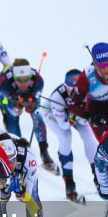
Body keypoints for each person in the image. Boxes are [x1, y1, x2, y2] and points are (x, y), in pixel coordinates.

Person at [0, 58, 56, 172]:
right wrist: (14, 105)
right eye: (19, 80)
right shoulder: (4, 82)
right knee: (13, 116)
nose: (24, 84)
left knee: (36, 116)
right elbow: (4, 101)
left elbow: (36, 99)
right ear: (14, 78)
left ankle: (44, 151)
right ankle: (18, 150)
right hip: (9, 97)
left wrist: (33, 104)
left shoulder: (38, 80)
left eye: (26, 80)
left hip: (30, 96)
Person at [44, 69, 99, 201]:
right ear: (65, 87)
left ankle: (99, 178)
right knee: (65, 138)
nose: (75, 94)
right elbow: (63, 125)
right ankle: (69, 182)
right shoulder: (57, 97)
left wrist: (77, 116)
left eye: (78, 91)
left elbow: (86, 119)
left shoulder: (90, 92)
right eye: (71, 91)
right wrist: (72, 118)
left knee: (90, 141)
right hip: (53, 115)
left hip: (77, 117)